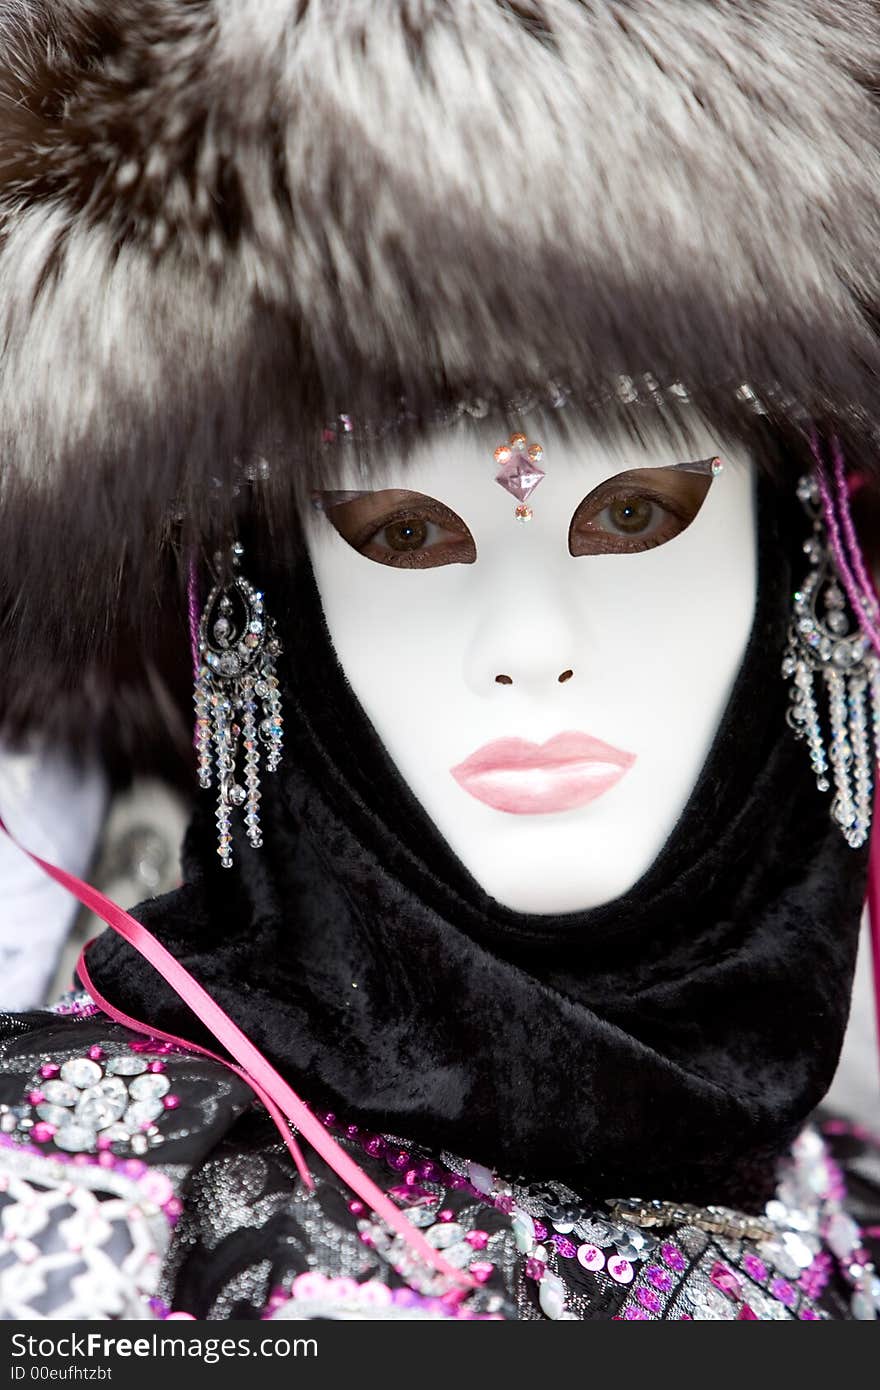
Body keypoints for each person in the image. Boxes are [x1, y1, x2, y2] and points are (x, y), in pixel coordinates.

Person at [0, 0, 878, 1321]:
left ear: (806, 560)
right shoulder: (72, 1199)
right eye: (406, 533)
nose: (529, 647)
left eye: (634, 514)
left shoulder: (853, 1217)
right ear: (266, 610)